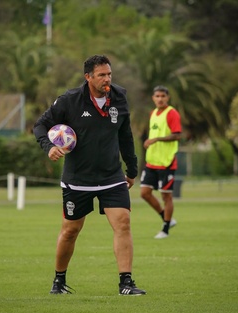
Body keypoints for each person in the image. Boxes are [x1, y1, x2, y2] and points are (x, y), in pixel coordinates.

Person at [33, 55, 146, 296]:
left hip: (111, 176)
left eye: (109, 74)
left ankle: (126, 283)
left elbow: (125, 135)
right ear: (88, 77)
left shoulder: (119, 96)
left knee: (123, 224)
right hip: (78, 178)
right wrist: (49, 147)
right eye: (101, 75)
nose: (107, 79)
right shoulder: (69, 100)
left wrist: (132, 169)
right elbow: (40, 126)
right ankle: (59, 280)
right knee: (70, 231)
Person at [140, 85, 182, 239]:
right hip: (152, 161)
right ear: (153, 98)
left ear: (167, 98)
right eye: (157, 96)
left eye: (163, 96)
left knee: (166, 197)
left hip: (166, 162)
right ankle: (167, 218)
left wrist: (156, 139)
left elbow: (177, 135)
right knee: (144, 193)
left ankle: (165, 229)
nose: (160, 99)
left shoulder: (172, 113)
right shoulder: (153, 114)